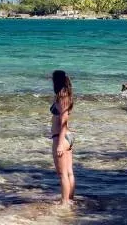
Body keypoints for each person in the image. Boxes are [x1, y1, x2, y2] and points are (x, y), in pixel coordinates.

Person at [50, 70, 75, 206]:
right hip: (67, 137)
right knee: (69, 172)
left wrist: (59, 144)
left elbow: (63, 121)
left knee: (63, 174)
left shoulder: (62, 97)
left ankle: (65, 203)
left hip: (61, 138)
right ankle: (70, 200)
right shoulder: (66, 95)